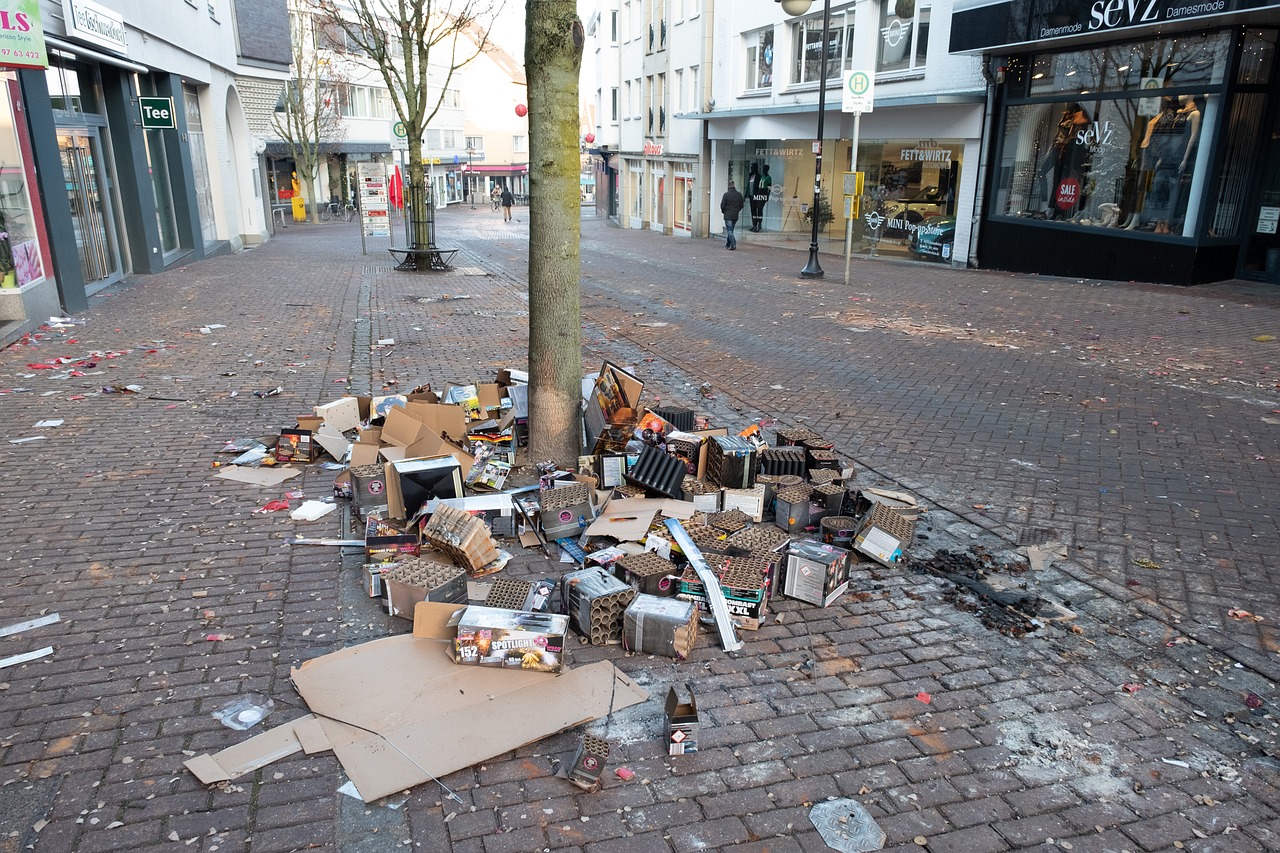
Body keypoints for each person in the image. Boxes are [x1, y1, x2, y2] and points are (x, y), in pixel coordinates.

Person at [720, 180, 744, 250]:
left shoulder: (726, 195)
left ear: (728, 186)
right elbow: (741, 205)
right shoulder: (739, 195)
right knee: (731, 230)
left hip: (728, 215)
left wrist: (724, 211)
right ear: (734, 185)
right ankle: (728, 244)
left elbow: (722, 205)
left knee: (729, 230)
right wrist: (737, 210)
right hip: (735, 215)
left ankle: (733, 244)